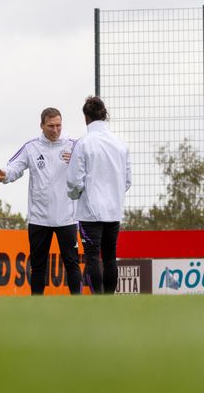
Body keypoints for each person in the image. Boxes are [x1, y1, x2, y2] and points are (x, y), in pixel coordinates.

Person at [0, 107, 82, 295]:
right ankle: (36, 305)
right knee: (38, 267)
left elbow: (88, 171)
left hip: (67, 217)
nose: (55, 130)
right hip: (38, 218)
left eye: (58, 125)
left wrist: (75, 162)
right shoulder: (31, 147)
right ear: (41, 125)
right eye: (51, 126)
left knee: (72, 264)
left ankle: (79, 304)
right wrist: (5, 174)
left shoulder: (74, 146)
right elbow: (14, 167)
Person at [67, 96, 131, 295]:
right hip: (113, 211)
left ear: (86, 118)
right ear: (105, 116)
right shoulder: (120, 145)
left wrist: (75, 195)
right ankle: (110, 301)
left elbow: (74, 182)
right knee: (110, 257)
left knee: (92, 257)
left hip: (90, 212)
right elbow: (127, 181)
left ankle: (97, 300)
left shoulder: (83, 143)